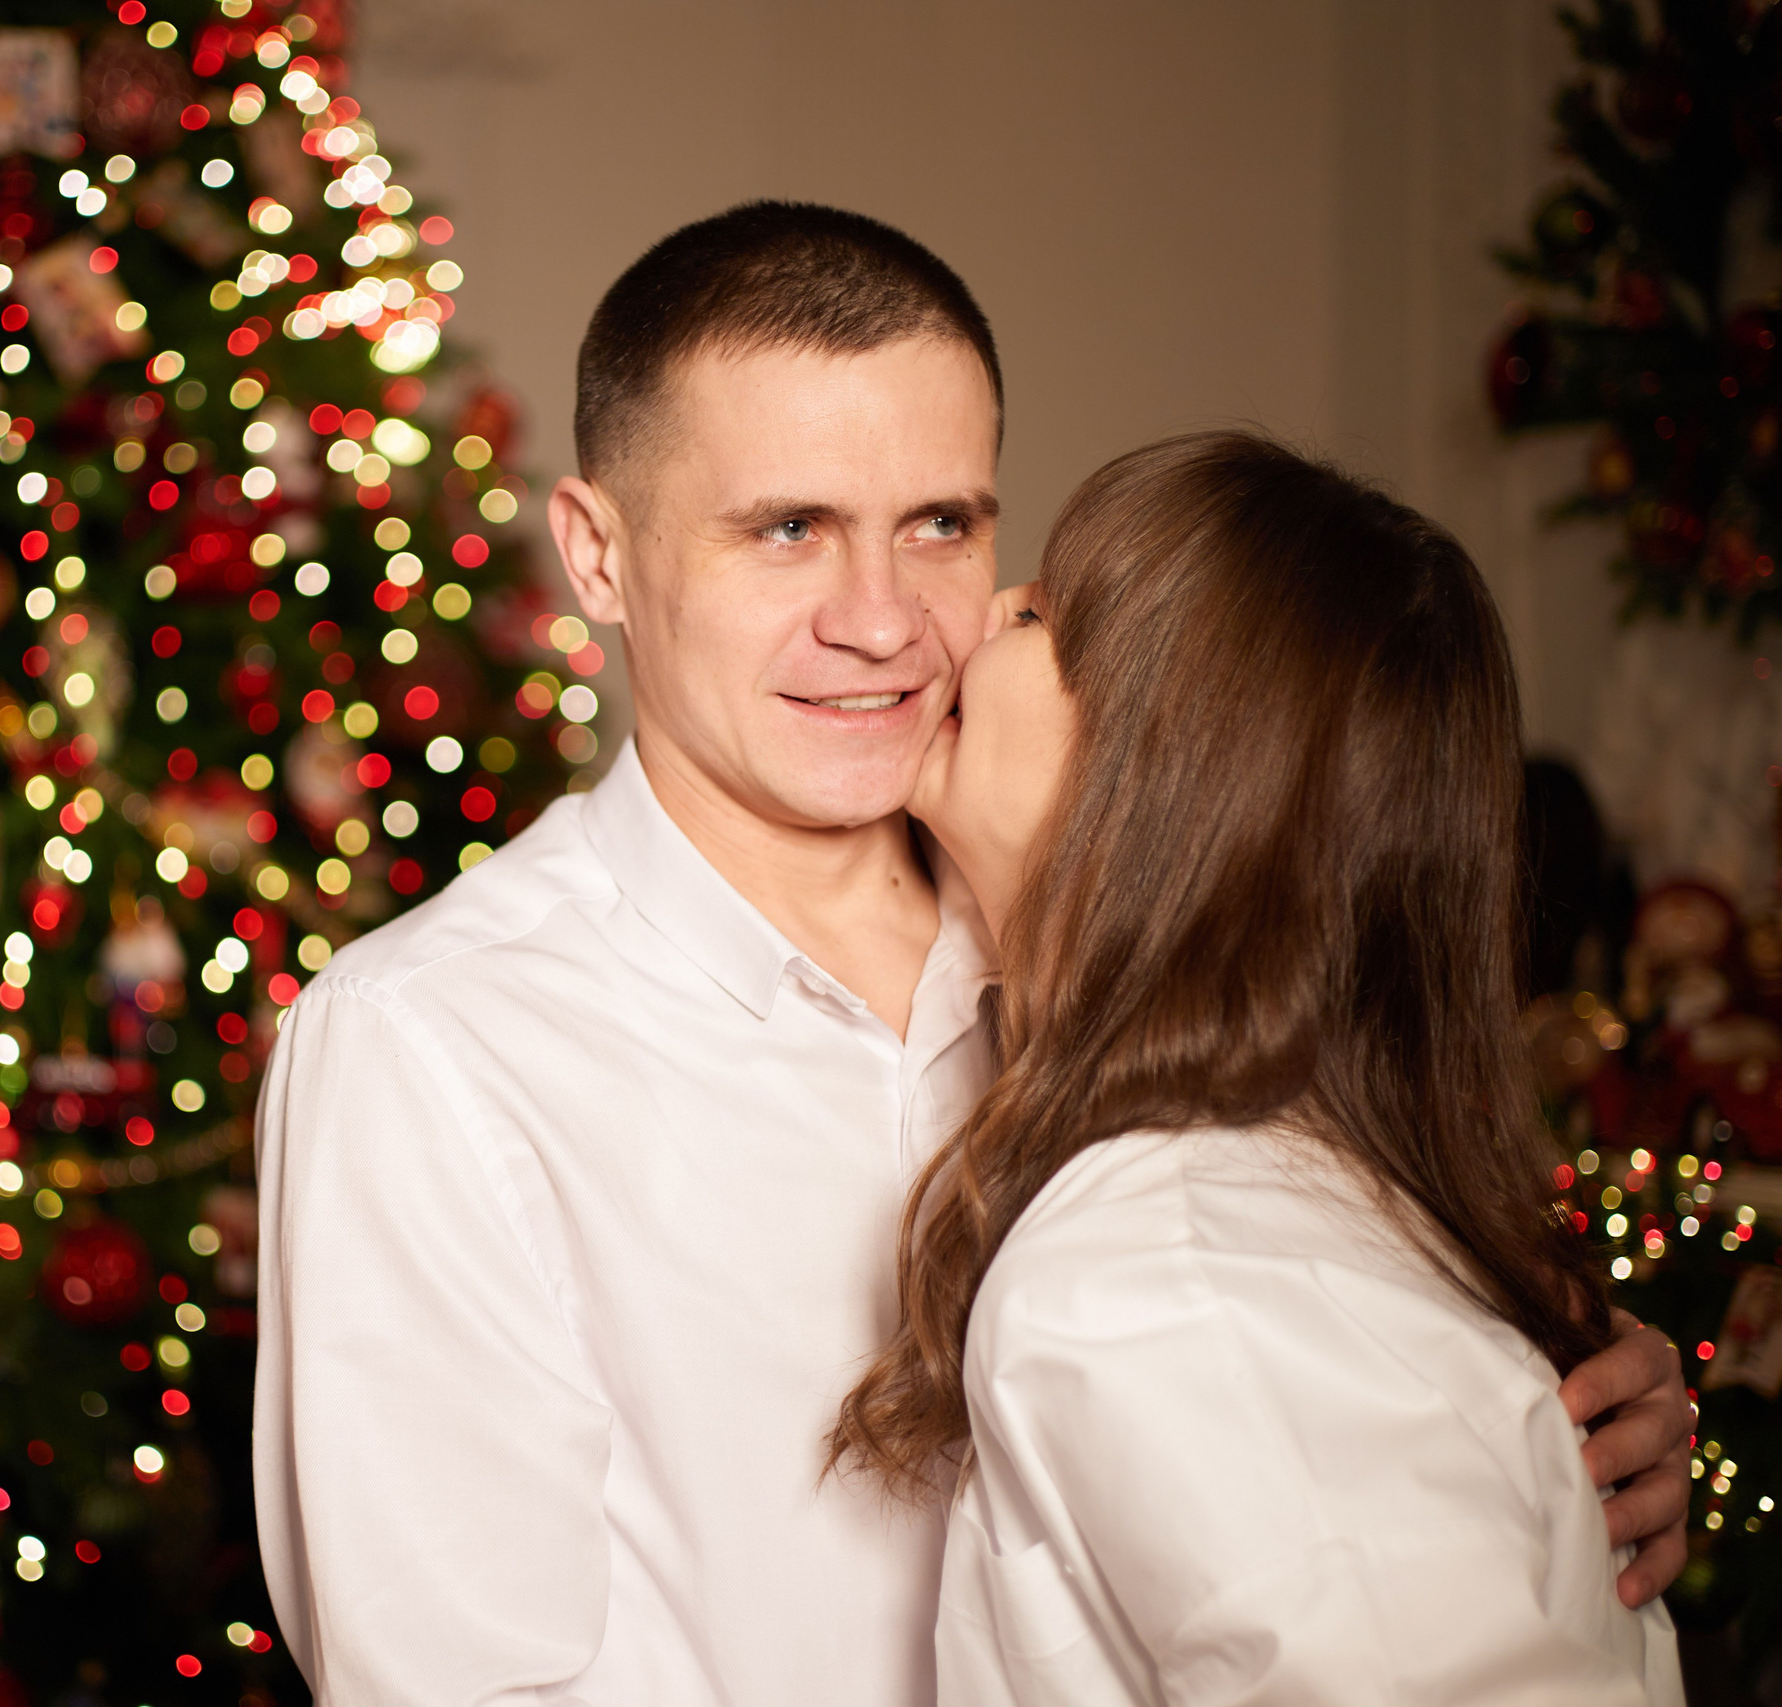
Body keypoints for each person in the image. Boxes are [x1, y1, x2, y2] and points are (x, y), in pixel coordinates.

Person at [252, 203, 1694, 1704]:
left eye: (941, 524)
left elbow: (1347, 1353)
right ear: (600, 557)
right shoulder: (429, 1044)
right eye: (788, 528)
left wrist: (1553, 1413)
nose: (881, 623)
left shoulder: (1157, 954)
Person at [835, 432, 1684, 1704]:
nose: (985, 610)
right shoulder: (1214, 1219)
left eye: (1050, 614)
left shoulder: (1166, 1268)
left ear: (1170, 769)